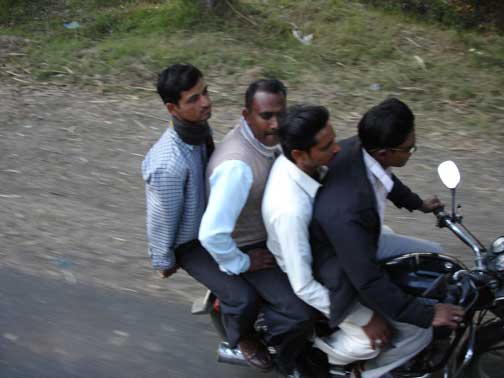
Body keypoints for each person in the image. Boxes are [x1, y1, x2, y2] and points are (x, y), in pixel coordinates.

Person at [310, 98, 465, 378]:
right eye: (409, 149)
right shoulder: (348, 209)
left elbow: (387, 180)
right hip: (339, 261)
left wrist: (417, 203)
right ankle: (366, 372)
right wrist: (428, 316)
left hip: (364, 238)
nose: (412, 152)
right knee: (418, 333)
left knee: (436, 256)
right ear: (384, 151)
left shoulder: (360, 146)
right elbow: (367, 280)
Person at [142, 64, 272, 372]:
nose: (205, 103)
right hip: (193, 241)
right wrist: (163, 261)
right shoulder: (168, 165)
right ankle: (240, 341)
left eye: (205, 92)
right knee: (243, 297)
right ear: (172, 108)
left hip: (215, 221)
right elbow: (161, 219)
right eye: (193, 99)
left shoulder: (198, 130)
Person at [262, 105, 393, 377]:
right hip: (317, 268)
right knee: (371, 341)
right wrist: (361, 318)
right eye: (326, 146)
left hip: (333, 244)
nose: (336, 150)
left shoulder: (307, 165)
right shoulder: (290, 210)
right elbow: (303, 284)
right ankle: (318, 354)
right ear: (299, 154)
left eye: (334, 139)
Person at [199, 79, 316, 378]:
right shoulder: (236, 167)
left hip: (271, 229)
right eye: (266, 116)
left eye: (281, 114)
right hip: (250, 244)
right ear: (246, 115)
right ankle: (287, 362)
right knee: (300, 314)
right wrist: (243, 262)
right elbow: (211, 233)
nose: (276, 124)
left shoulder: (264, 141)